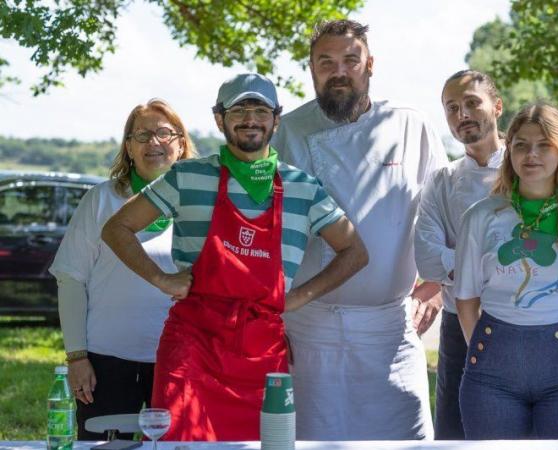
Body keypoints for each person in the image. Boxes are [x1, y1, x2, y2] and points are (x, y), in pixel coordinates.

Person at [101, 73, 368, 441]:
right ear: (219, 118)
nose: (250, 118)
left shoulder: (303, 188)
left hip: (263, 353)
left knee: (266, 443)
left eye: (260, 109)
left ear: (276, 118)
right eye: (239, 108)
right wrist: (161, 279)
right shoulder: (186, 176)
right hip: (192, 346)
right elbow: (117, 228)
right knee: (176, 444)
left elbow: (354, 251)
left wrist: (298, 297)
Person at [271, 20, 448, 440]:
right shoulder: (288, 132)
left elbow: (445, 210)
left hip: (389, 328)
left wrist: (437, 283)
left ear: (370, 65)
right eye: (326, 62)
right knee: (310, 442)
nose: (339, 71)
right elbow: (265, 227)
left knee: (404, 440)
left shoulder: (409, 125)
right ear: (311, 69)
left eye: (351, 60)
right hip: (307, 327)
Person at [454, 102, 558, 439]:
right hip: (491, 373)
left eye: (544, 145)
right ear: (509, 151)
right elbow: (466, 300)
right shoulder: (481, 216)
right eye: (521, 145)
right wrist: (494, 353)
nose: (532, 154)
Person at [49, 99, 197, 439]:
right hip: (106, 362)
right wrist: (77, 358)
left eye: (164, 133)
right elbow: (70, 279)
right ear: (128, 147)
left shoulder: (200, 204)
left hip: (181, 360)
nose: (153, 143)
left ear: (181, 143)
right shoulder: (100, 201)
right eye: (142, 135)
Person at [414, 69, 504, 439]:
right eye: (452, 108)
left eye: (471, 103)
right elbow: (428, 260)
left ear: (497, 106)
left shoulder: (533, 171)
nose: (461, 114)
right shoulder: (442, 180)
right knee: (455, 433)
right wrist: (496, 265)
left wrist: (459, 262)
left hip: (526, 323)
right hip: (455, 330)